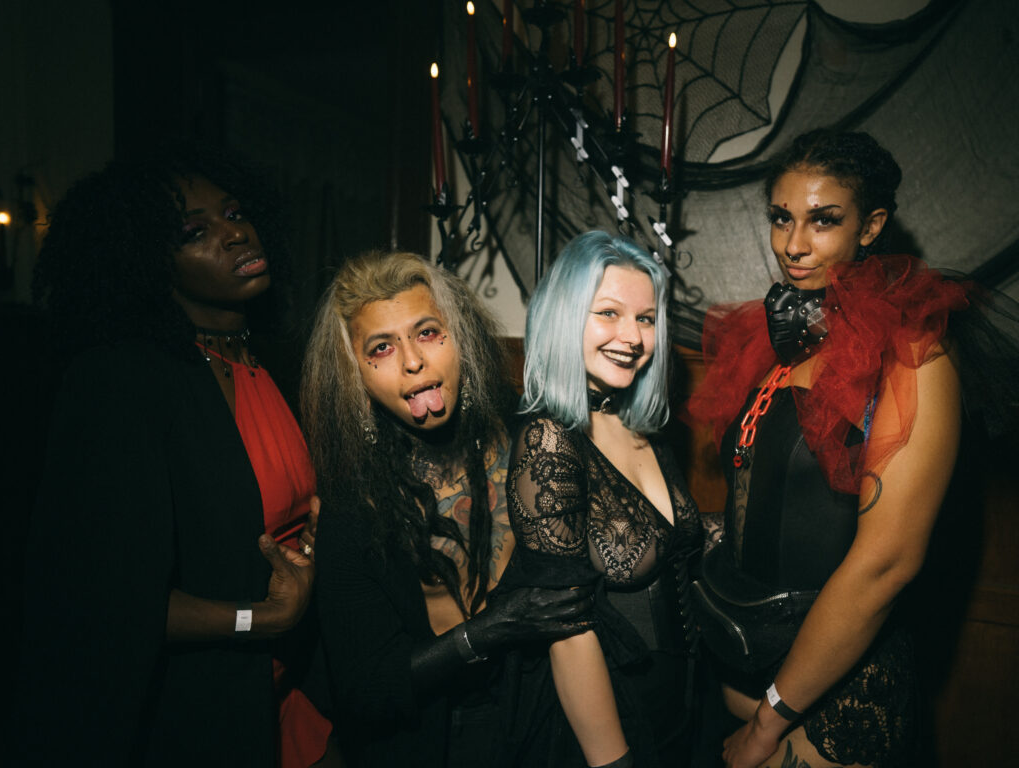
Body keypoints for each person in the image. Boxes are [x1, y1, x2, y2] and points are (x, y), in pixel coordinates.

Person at [16, 147, 333, 766]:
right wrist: (259, 619)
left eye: (236, 213)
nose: (234, 232)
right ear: (145, 263)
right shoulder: (120, 381)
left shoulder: (272, 362)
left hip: (294, 697)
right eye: (196, 231)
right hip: (196, 717)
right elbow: (100, 599)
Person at [686, 129, 972, 768]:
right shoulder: (779, 342)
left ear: (870, 227)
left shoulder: (915, 356)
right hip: (740, 675)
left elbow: (886, 566)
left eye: (823, 220)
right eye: (782, 218)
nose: (793, 244)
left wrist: (767, 725)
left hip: (834, 707)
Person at [301, 251, 594, 768]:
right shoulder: (353, 507)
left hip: (553, 705)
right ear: (354, 374)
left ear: (460, 337)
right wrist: (490, 629)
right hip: (446, 733)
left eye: (428, 332)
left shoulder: (533, 433)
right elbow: (366, 689)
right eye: (382, 347)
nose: (413, 361)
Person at [497, 231, 712, 768]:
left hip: (682, 697)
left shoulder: (641, 427)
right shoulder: (549, 439)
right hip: (606, 712)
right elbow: (565, 628)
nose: (632, 337)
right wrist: (611, 760)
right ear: (566, 317)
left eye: (645, 319)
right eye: (609, 313)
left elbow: (669, 540)